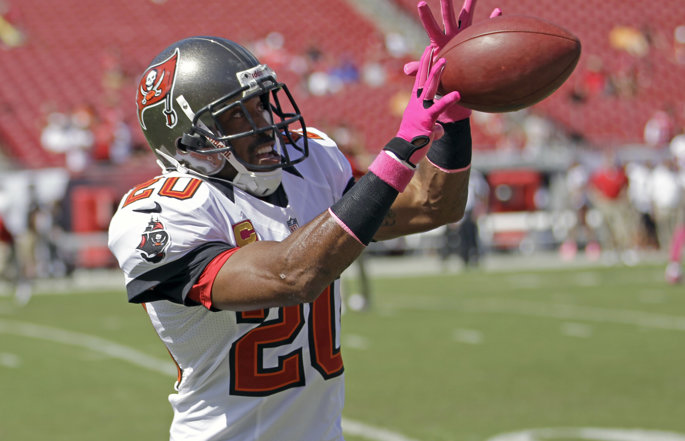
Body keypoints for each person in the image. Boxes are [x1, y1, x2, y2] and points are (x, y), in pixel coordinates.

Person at [108, 1, 494, 439]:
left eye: (260, 105)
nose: (264, 125)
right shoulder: (163, 215)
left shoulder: (310, 162)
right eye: (236, 115)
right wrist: (399, 152)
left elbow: (431, 204)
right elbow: (293, 275)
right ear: (187, 143)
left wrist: (453, 115)